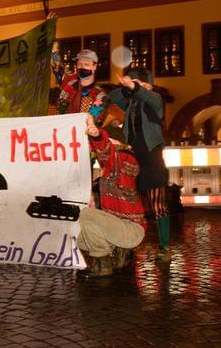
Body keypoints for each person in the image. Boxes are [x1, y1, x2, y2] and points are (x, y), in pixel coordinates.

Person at [109, 66, 172, 262]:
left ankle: (164, 246)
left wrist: (139, 88)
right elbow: (113, 96)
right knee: (128, 203)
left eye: (136, 82)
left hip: (152, 158)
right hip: (133, 156)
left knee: (157, 204)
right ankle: (126, 245)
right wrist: (128, 87)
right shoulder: (131, 104)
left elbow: (149, 98)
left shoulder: (155, 99)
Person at [80, 115, 146, 278]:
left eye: (111, 141)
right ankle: (116, 253)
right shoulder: (111, 166)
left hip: (130, 229)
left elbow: (105, 149)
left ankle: (103, 263)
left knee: (84, 214)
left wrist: (97, 135)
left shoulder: (126, 159)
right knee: (78, 235)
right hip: (118, 226)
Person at [51, 47, 108, 124]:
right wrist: (53, 50)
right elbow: (57, 66)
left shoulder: (100, 96)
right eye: (80, 64)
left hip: (81, 133)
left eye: (86, 64)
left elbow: (94, 122)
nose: (82, 67)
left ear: (95, 66)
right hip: (61, 130)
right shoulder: (70, 83)